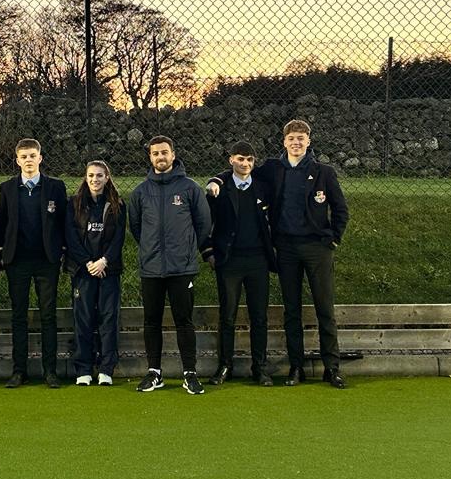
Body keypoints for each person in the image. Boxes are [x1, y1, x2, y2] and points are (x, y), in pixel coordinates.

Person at [211, 120, 349, 388]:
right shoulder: (273, 169)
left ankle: (332, 368)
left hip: (317, 249)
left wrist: (333, 239)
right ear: (284, 142)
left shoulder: (324, 172)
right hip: (285, 248)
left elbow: (341, 210)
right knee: (292, 310)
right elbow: (240, 171)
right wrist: (215, 179)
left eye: (301, 138)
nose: (296, 142)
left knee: (325, 309)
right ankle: (296, 367)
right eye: (292, 138)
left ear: (309, 141)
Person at [128, 135, 212, 394]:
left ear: (173, 154)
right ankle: (155, 372)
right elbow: (136, 227)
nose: (160, 157)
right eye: (155, 153)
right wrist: (151, 250)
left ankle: (189, 373)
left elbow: (203, 225)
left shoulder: (189, 188)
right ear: (150, 157)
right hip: (151, 268)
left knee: (183, 321)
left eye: (164, 152)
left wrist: (185, 249)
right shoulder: (141, 192)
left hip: (182, 268)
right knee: (151, 321)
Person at [0, 138, 68, 388]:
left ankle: (50, 371)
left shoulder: (56, 188)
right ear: (17, 160)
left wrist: (63, 254)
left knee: (48, 316)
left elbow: (63, 224)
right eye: (23, 156)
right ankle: (19, 371)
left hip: (47, 262)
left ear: (40, 158)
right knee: (19, 316)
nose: (28, 160)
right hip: (17, 262)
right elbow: (1, 225)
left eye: (32, 155)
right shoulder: (6, 188)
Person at [202, 141, 276, 387]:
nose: (245, 164)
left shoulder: (263, 188)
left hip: (258, 261)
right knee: (228, 316)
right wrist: (209, 253)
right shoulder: (219, 189)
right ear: (231, 160)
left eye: (250, 160)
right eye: (240, 159)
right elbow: (204, 224)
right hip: (229, 261)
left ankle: (260, 368)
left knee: (259, 317)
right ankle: (225, 366)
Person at [65, 160, 126, 386]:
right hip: (83, 271)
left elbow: (119, 238)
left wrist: (104, 261)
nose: (95, 180)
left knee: (109, 319)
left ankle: (106, 369)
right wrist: (88, 262)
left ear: (107, 178)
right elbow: (70, 237)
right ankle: (83, 368)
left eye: (99, 176)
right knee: (84, 319)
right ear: (85, 177)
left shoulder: (117, 204)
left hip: (108, 271)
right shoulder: (74, 204)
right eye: (91, 175)